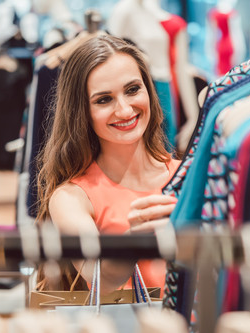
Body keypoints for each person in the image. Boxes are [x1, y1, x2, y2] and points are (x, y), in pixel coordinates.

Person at [35, 34, 181, 294]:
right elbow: (101, 277)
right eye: (104, 100)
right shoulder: (71, 197)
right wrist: (135, 241)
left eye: (133, 89)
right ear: (82, 112)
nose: (125, 110)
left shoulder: (188, 175)